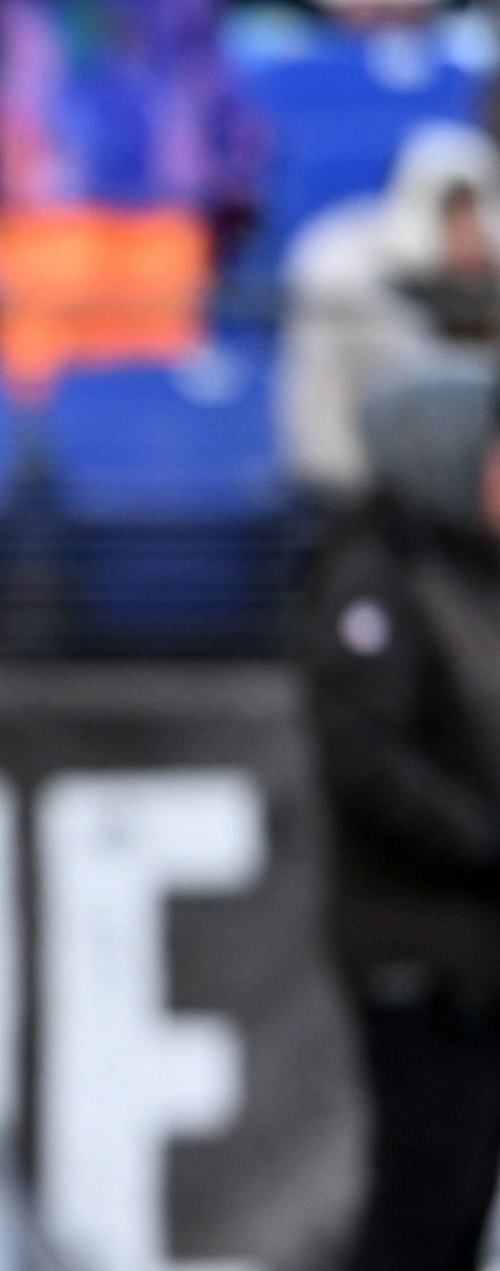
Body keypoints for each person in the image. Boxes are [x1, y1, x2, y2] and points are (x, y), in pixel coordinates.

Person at [300, 361, 500, 1271]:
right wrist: (486, 838)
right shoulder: (374, 582)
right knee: (423, 1202)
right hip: (418, 949)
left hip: (476, 951)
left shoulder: (466, 573)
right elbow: (367, 762)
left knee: (459, 1206)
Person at [279, 122, 500, 505]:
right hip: (367, 506)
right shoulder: (343, 270)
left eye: (475, 212)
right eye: (454, 214)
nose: (470, 232)